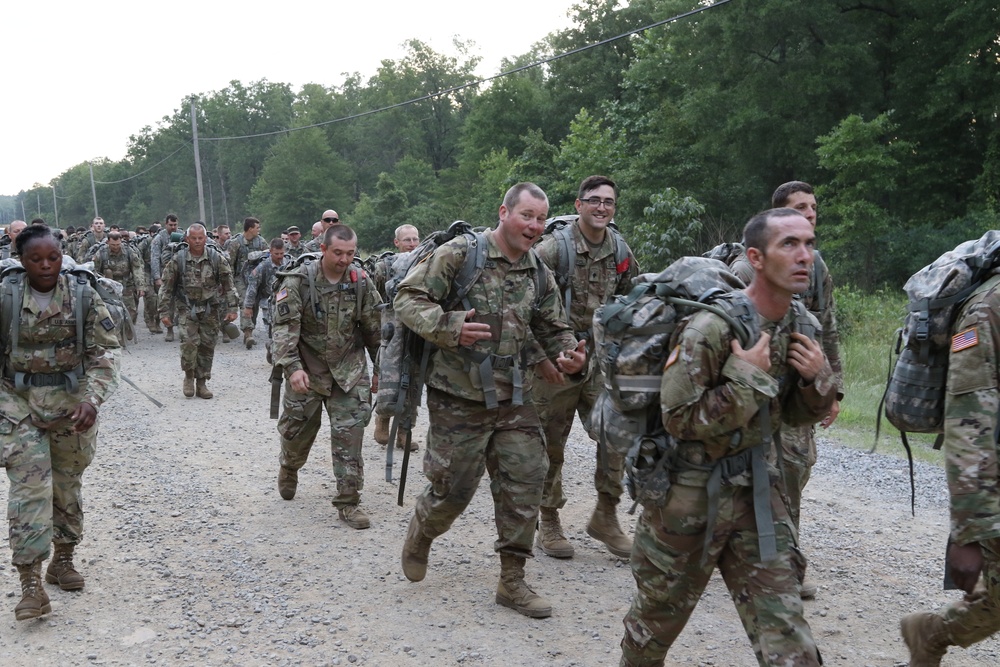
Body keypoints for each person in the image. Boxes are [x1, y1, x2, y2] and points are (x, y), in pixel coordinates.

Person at [619, 208, 836, 667]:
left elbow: (794, 415)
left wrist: (820, 381)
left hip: (759, 494)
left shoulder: (803, 326)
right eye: (790, 245)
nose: (805, 257)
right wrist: (744, 378)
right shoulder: (710, 327)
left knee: (789, 638)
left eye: (810, 244)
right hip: (688, 498)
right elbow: (678, 419)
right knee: (652, 631)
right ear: (756, 257)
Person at [395, 182, 586, 619]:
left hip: (514, 395)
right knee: (454, 490)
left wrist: (570, 355)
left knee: (526, 479)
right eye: (527, 216)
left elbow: (553, 326)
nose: (535, 226)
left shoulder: (538, 271)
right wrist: (449, 325)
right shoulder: (462, 255)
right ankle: (425, 529)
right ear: (504, 212)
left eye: (541, 218)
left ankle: (512, 581)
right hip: (458, 395)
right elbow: (406, 297)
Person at [0, 225, 121, 620]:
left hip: (70, 404)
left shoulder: (83, 295)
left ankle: (63, 560)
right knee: (30, 490)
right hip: (17, 404)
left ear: (61, 255)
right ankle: (30, 583)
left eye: (52, 257)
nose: (46, 265)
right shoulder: (6, 297)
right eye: (36, 259)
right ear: (21, 259)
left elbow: (105, 353)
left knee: (67, 486)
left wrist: (92, 399)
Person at [730, 181, 843, 599]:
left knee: (793, 470)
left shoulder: (815, 267)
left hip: (793, 391)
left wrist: (832, 388)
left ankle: (783, 564)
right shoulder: (746, 269)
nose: (810, 214)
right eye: (800, 208)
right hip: (746, 391)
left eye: (813, 208)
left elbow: (826, 330)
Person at [530, 175, 640, 560]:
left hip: (600, 361)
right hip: (557, 361)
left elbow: (632, 299)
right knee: (550, 445)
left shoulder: (619, 248)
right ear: (578, 205)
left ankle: (606, 516)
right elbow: (523, 306)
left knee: (615, 435)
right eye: (594, 201)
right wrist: (541, 356)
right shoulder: (552, 250)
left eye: (609, 202)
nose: (602, 208)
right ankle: (549, 520)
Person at [898, 270, 1000, 664]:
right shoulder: (987, 309)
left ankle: (930, 631)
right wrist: (969, 531)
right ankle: (933, 631)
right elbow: (967, 422)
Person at [271, 224, 381, 529]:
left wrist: (380, 370)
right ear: (323, 249)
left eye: (350, 253)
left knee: (350, 438)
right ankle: (289, 467)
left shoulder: (361, 281)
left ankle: (348, 502)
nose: (345, 260)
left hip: (348, 372)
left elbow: (375, 331)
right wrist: (292, 368)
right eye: (338, 253)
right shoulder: (297, 282)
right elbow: (283, 331)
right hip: (307, 370)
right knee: (296, 434)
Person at [157, 223, 238, 399]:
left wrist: (233, 307)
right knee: (189, 343)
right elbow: (166, 287)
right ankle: (188, 376)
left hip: (210, 309)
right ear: (187, 239)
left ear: (205, 238)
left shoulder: (216, 259)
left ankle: (202, 382)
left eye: (200, 238)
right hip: (187, 308)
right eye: (193, 238)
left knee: (207, 346)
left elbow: (229, 285)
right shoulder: (178, 260)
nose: (197, 241)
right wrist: (163, 312)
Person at [370, 223, 421, 450]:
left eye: (415, 239)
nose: (411, 244)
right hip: (391, 332)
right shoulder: (384, 267)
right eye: (407, 239)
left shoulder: (425, 262)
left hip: (417, 330)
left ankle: (404, 433)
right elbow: (375, 299)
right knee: (388, 379)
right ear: (396, 242)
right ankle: (382, 420)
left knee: (413, 383)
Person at [91, 231, 147, 338]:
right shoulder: (101, 253)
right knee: (111, 312)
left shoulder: (129, 251)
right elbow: (94, 271)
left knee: (131, 311)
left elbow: (137, 268)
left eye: (118, 244)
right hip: (108, 288)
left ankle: (127, 329)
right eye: (113, 245)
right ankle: (115, 335)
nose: (116, 247)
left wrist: (140, 286)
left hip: (127, 285)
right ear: (108, 242)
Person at [243, 238, 287, 363]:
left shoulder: (289, 263)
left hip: (286, 300)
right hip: (268, 301)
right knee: (273, 327)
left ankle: (277, 349)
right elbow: (252, 287)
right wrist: (248, 306)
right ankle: (274, 349)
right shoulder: (262, 267)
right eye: (276, 254)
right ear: (270, 252)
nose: (279, 257)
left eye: (281, 253)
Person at [228, 217, 266, 349]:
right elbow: (229, 264)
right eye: (257, 227)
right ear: (250, 229)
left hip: (255, 279)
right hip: (240, 279)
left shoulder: (261, 242)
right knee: (245, 302)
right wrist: (229, 283)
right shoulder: (235, 243)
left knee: (254, 305)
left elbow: (267, 259)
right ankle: (248, 332)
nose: (259, 230)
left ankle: (249, 329)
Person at [151, 215, 180, 341]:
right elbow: (155, 257)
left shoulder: (181, 235)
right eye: (170, 225)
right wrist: (157, 277)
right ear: (165, 224)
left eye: (175, 225)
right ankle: (169, 329)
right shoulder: (159, 238)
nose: (173, 227)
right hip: (166, 273)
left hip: (181, 273)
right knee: (167, 301)